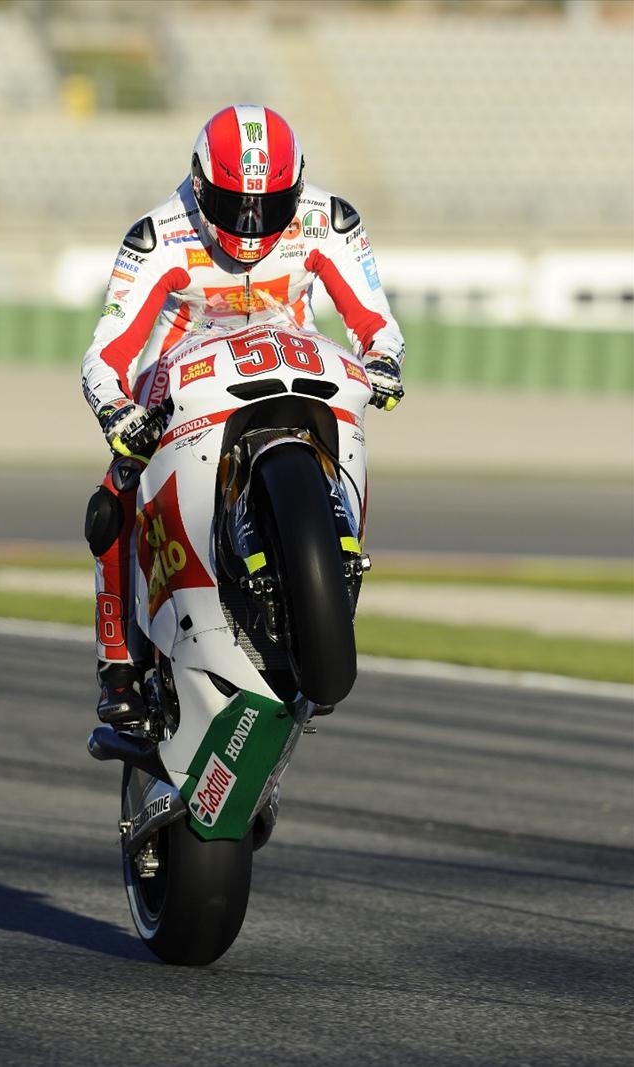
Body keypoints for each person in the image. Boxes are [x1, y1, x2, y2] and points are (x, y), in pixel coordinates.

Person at [82, 104, 405, 726]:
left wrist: (384, 361)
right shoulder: (158, 236)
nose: (252, 227)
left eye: (270, 205)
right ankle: (117, 665)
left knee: (356, 418)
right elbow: (106, 353)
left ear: (298, 187)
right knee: (115, 494)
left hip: (291, 362)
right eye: (234, 206)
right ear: (200, 184)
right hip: (184, 374)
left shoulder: (329, 220)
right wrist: (116, 410)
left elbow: (375, 320)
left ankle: (332, 565)